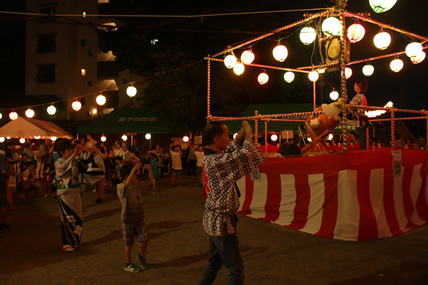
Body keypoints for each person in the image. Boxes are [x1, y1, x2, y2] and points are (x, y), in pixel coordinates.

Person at [199, 121, 264, 285]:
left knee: (214, 264)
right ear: (216, 140)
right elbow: (252, 156)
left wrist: (239, 140)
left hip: (214, 220)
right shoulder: (217, 161)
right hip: (221, 223)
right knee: (235, 269)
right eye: (226, 136)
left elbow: (229, 151)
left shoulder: (211, 158)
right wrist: (247, 138)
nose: (229, 139)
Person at [117, 162, 152, 273]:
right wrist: (133, 169)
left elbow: (150, 183)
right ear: (127, 176)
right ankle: (128, 264)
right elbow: (126, 184)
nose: (136, 176)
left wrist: (150, 171)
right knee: (129, 243)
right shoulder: (120, 187)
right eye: (134, 174)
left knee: (145, 237)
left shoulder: (136, 185)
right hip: (127, 219)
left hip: (138, 217)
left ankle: (141, 256)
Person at [55, 139, 83, 252]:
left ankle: (75, 240)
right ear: (61, 151)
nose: (71, 152)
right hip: (65, 193)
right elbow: (61, 170)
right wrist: (73, 157)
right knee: (67, 218)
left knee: (77, 217)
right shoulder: (59, 162)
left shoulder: (73, 160)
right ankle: (66, 242)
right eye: (68, 150)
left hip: (74, 192)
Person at [350, 79, 369, 150]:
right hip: (362, 117)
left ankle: (363, 150)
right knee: (361, 135)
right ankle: (363, 149)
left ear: (358, 87)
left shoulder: (358, 96)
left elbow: (351, 105)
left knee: (360, 135)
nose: (354, 87)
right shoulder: (363, 96)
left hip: (358, 118)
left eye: (355, 85)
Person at [0, 149, 13, 232]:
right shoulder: (2, 157)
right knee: (2, 202)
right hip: (0, 182)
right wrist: (11, 172)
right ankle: (1, 223)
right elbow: (4, 171)